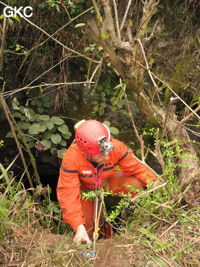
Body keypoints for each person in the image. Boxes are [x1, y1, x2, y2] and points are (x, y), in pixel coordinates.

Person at [57, 120, 157, 245]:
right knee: (86, 229)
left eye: (108, 152)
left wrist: (160, 189)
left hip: (108, 181)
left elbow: (139, 169)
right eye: (101, 156)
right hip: (86, 190)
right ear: (87, 154)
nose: (107, 157)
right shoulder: (72, 157)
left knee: (134, 184)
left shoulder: (116, 147)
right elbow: (68, 193)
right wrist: (79, 226)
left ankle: (133, 220)